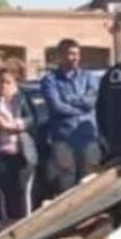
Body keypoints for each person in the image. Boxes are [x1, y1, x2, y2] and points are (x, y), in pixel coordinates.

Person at [0, 69, 41, 224]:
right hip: (0, 154)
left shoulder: (23, 99)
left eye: (8, 82)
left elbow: (32, 119)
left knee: (23, 193)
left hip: (22, 153)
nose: (4, 86)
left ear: (15, 84)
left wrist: (14, 125)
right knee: (5, 194)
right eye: (1, 82)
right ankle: (8, 227)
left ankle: (27, 226)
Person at [39, 37, 101, 196]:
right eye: (71, 54)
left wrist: (70, 99)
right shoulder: (50, 80)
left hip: (88, 136)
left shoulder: (88, 77)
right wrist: (81, 108)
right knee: (66, 181)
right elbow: (56, 107)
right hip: (63, 138)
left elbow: (91, 102)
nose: (75, 58)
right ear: (60, 55)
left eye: (77, 54)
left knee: (91, 179)